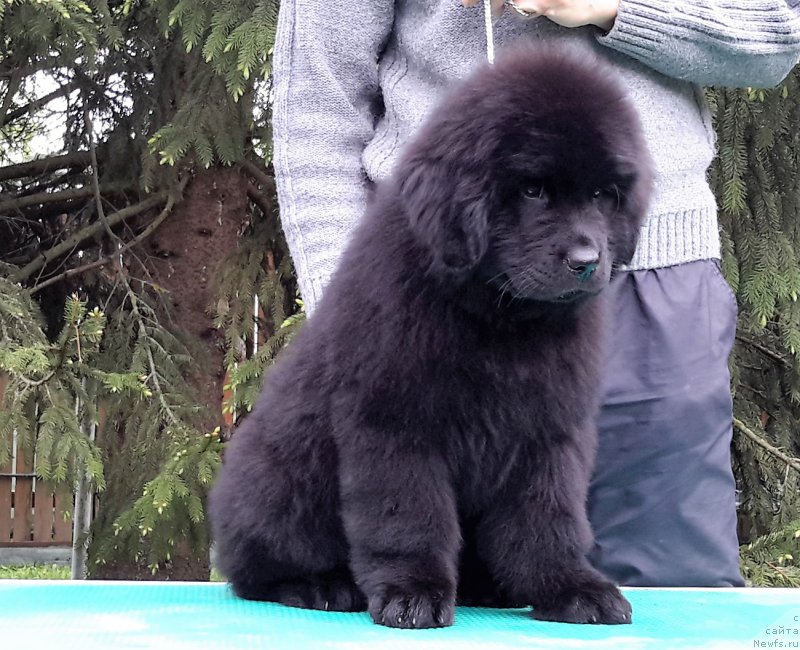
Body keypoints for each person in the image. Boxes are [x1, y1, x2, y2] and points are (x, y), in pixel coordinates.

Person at [270, 0, 800, 587]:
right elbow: (318, 101)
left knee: (665, 588)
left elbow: (777, 30)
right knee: (429, 595)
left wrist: (616, 7)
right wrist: (358, 314)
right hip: (440, 284)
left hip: (657, 280)